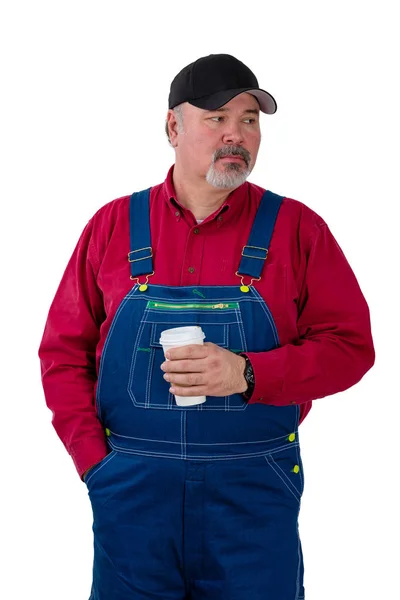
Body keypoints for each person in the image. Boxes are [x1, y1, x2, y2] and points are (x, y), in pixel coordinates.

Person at [38, 53, 375, 600]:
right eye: (216, 118)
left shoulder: (298, 229)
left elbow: (351, 348)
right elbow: (62, 354)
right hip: (132, 493)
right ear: (174, 126)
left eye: (249, 119)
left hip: (253, 495)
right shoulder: (112, 227)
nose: (235, 135)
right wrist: (95, 464)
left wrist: (246, 373)